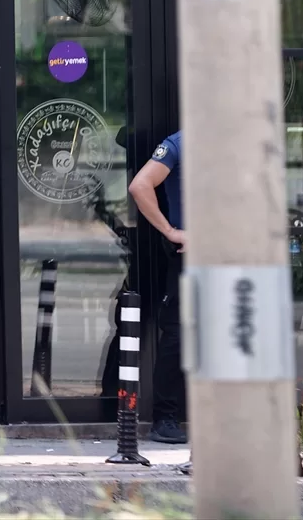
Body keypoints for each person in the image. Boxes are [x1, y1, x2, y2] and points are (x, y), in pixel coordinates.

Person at [127, 130, 188, 445]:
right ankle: (165, 418)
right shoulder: (180, 143)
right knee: (178, 335)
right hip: (191, 256)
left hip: (232, 254)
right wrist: (171, 231)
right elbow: (140, 185)